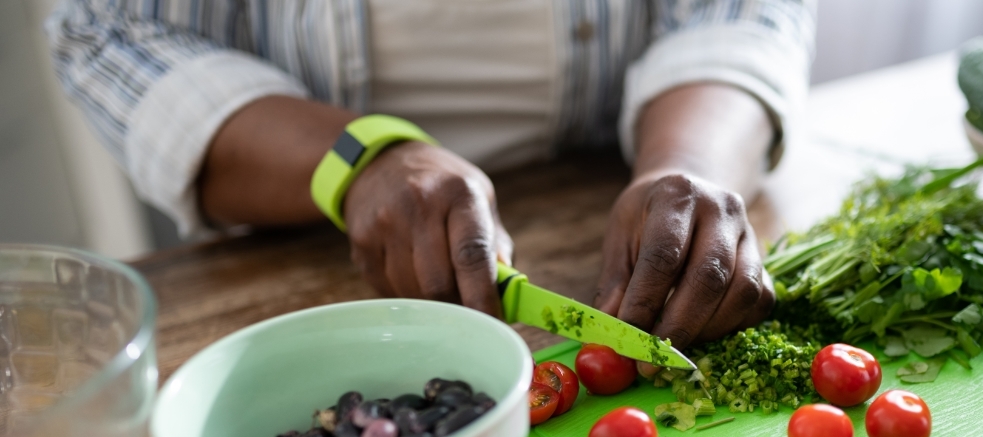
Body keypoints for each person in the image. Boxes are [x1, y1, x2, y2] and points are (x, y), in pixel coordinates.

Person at [46, 0, 813, 350]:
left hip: (597, 190)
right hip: (298, 253)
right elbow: (104, 30)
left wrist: (689, 167)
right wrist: (359, 159)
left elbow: (740, 10)